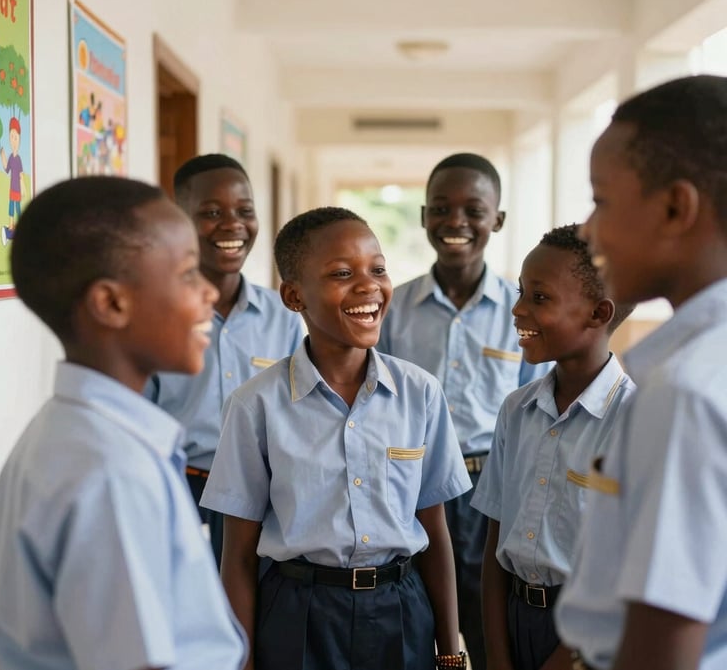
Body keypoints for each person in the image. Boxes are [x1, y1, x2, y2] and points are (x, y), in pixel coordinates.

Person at [0, 176, 246, 670]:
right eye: (189, 274)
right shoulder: (111, 471)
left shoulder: (69, 432)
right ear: (111, 304)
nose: (210, 291)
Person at [201, 206, 472, 670]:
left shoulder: (421, 393)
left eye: (378, 269)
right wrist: (242, 661)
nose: (368, 286)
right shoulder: (255, 405)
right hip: (298, 613)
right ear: (293, 296)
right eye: (342, 273)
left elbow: (435, 532)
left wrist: (449, 650)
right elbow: (238, 557)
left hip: (401, 609)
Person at [554, 74, 727, 670]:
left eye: (601, 200)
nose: (585, 227)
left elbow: (664, 642)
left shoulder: (685, 392)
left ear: (676, 207)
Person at [377, 152, 549, 669]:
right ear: (425, 216)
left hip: (486, 487)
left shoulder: (522, 312)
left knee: (483, 610)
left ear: (496, 220)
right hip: (406, 481)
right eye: (441, 208)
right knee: (408, 609)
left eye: (474, 210)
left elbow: (533, 408)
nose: (456, 222)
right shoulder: (392, 309)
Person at [470, 224, 635, 670]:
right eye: (521, 292)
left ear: (599, 313)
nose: (517, 309)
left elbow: (629, 576)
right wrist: (498, 660)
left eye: (538, 298)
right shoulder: (516, 410)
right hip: (514, 619)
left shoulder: (634, 422)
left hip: (590, 635)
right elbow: (494, 548)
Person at [145, 153, 304, 565]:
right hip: (182, 491)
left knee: (251, 614)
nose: (232, 224)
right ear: (179, 221)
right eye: (212, 212)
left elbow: (294, 411)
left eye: (244, 210)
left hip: (263, 495)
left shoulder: (283, 314)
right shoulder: (156, 314)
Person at [0, 116, 26, 245]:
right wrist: (3, 156)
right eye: (11, 137)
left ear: (19, 139)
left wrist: (23, 188)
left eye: (15, 137)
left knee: (17, 209)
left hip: (17, 189)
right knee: (11, 208)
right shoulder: (11, 157)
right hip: (12, 190)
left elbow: (21, 174)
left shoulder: (19, 159)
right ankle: (10, 227)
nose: (13, 140)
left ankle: (20, 226)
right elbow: (6, 169)